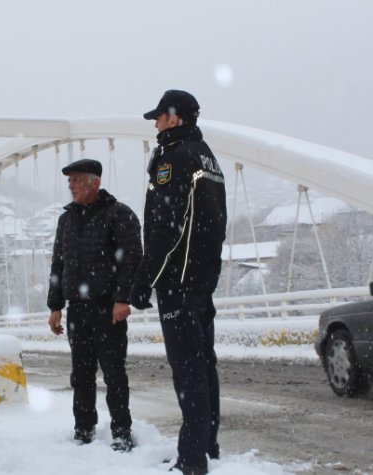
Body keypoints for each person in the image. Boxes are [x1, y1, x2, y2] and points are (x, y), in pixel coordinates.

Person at [129, 90, 227, 475]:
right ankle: (207, 447)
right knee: (204, 366)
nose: (155, 124)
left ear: (174, 118)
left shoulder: (174, 157)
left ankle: (191, 460)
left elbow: (166, 228)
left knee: (188, 369)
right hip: (201, 280)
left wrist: (143, 281)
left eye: (159, 118)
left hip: (179, 283)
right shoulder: (208, 157)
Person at [47, 158, 142, 452]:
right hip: (77, 308)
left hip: (107, 309)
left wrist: (123, 299)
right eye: (70, 181)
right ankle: (83, 428)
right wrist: (55, 306)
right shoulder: (67, 219)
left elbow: (132, 260)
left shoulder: (119, 215)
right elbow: (58, 263)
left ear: (94, 182)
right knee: (81, 374)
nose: (71, 185)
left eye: (76, 180)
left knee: (114, 373)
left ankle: (121, 431)